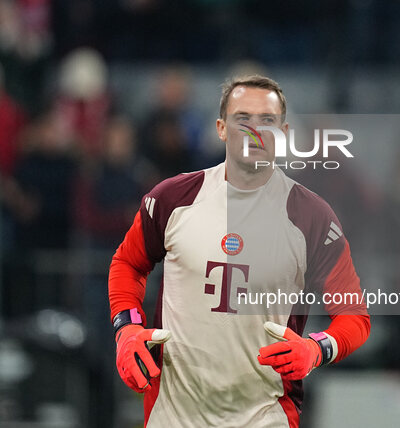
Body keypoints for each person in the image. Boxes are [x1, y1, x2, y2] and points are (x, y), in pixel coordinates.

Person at [108, 75, 370, 427]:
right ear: (220, 128)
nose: (255, 130)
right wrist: (127, 328)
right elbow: (128, 263)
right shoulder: (172, 199)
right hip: (173, 415)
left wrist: (315, 348)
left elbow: (354, 316)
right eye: (242, 118)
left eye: (268, 121)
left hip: (266, 415)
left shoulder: (312, 218)